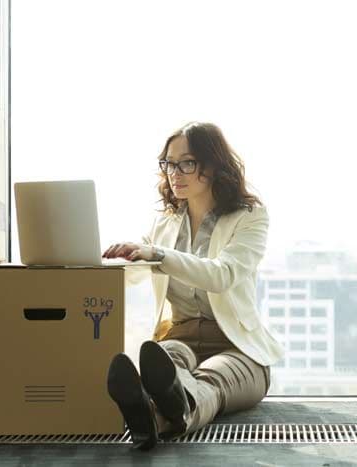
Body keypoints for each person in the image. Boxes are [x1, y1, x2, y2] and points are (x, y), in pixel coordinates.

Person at [102, 122, 284, 451]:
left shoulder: (250, 216)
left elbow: (222, 275)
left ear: (214, 164)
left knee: (211, 379)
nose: (175, 173)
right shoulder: (164, 223)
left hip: (236, 346)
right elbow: (139, 266)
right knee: (166, 358)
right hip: (181, 336)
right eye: (169, 163)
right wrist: (106, 256)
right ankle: (151, 415)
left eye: (187, 162)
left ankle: (154, 416)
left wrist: (158, 253)